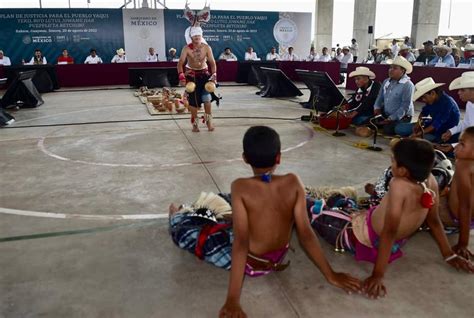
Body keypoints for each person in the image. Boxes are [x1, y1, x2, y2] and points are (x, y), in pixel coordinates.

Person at [216, 126, 361, 316]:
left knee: (201, 219)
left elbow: (241, 242)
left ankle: (177, 213)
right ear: (278, 157)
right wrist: (330, 274)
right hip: (278, 255)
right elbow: (305, 233)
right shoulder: (293, 181)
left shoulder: (239, 187)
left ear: (244, 158)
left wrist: (232, 299)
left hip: (255, 260)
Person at [311, 138, 474, 299]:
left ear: (403, 171)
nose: (391, 164)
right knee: (344, 204)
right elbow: (434, 221)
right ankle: (338, 198)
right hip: (372, 220)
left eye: (393, 161)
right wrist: (448, 254)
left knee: (313, 211)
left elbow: (389, 231)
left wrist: (378, 274)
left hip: (357, 234)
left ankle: (321, 199)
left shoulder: (398, 184)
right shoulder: (430, 181)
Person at [439, 127, 474, 260]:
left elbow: (465, 206)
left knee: (422, 193)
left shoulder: (463, 165)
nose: (456, 147)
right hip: (469, 222)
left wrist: (463, 243)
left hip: (453, 218)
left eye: (462, 144)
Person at [177, 26, 217, 132]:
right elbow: (180, 63)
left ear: (201, 36)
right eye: (195, 35)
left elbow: (212, 63)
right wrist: (181, 76)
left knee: (207, 100)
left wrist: (214, 76)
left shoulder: (207, 47)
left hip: (205, 76)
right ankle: (195, 125)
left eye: (199, 35)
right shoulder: (186, 48)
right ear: (191, 37)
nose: (197, 37)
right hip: (192, 76)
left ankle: (209, 123)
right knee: (193, 104)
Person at [394, 77, 460, 142]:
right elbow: (424, 112)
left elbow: (437, 124)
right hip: (430, 125)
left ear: (433, 93)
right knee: (399, 128)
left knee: (417, 140)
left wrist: (420, 133)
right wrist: (418, 124)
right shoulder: (432, 99)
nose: (423, 100)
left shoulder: (447, 103)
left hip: (442, 131)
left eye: (424, 97)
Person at [373, 56, 415, 135]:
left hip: (402, 116)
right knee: (371, 122)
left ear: (403, 71)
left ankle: (407, 126)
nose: (391, 70)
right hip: (387, 113)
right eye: (390, 67)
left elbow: (405, 106)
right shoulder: (386, 81)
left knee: (388, 130)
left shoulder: (407, 85)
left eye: (395, 68)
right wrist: (377, 108)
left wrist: (392, 118)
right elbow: (380, 97)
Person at [437, 71, 474, 153]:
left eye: (462, 90)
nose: (459, 92)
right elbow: (466, 123)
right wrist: (451, 131)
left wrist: (454, 146)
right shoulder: (470, 103)